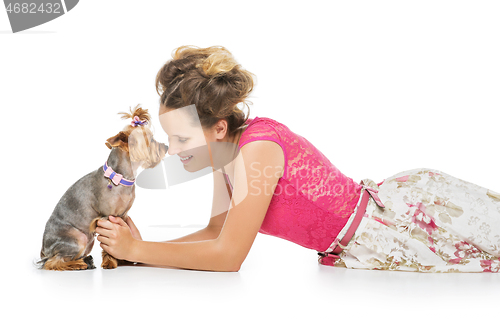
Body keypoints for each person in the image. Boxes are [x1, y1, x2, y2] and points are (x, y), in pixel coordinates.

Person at [96, 45, 500, 273]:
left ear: (218, 128)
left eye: (182, 138)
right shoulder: (224, 158)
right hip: (359, 242)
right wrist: (142, 251)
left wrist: (139, 251)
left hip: (397, 222)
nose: (175, 150)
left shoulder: (258, 151)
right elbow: (215, 232)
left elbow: (229, 256)